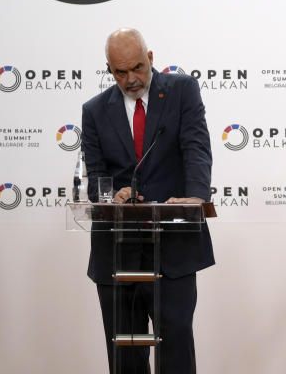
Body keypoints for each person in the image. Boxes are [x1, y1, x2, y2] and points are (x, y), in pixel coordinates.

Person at [81, 28, 214, 374]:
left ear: (151, 58)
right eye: (120, 72)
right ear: (109, 69)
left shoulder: (182, 91)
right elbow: (95, 176)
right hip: (117, 250)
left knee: (176, 348)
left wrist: (197, 197)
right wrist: (112, 195)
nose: (131, 78)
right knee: (125, 355)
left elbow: (196, 148)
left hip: (172, 244)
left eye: (138, 67)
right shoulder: (94, 111)